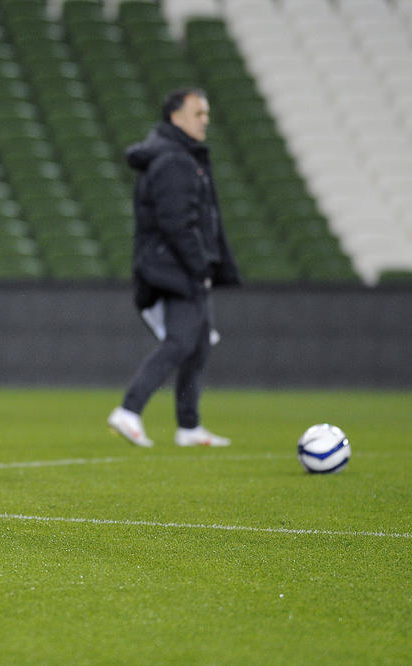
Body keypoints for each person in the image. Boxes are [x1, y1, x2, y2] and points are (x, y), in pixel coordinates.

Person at [108, 87, 241, 448]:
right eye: (198, 113)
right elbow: (177, 222)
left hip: (173, 263)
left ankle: (189, 427)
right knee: (181, 341)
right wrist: (200, 266)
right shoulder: (174, 159)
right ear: (175, 117)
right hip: (177, 266)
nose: (205, 121)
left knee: (197, 345)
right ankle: (129, 410)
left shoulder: (176, 155)